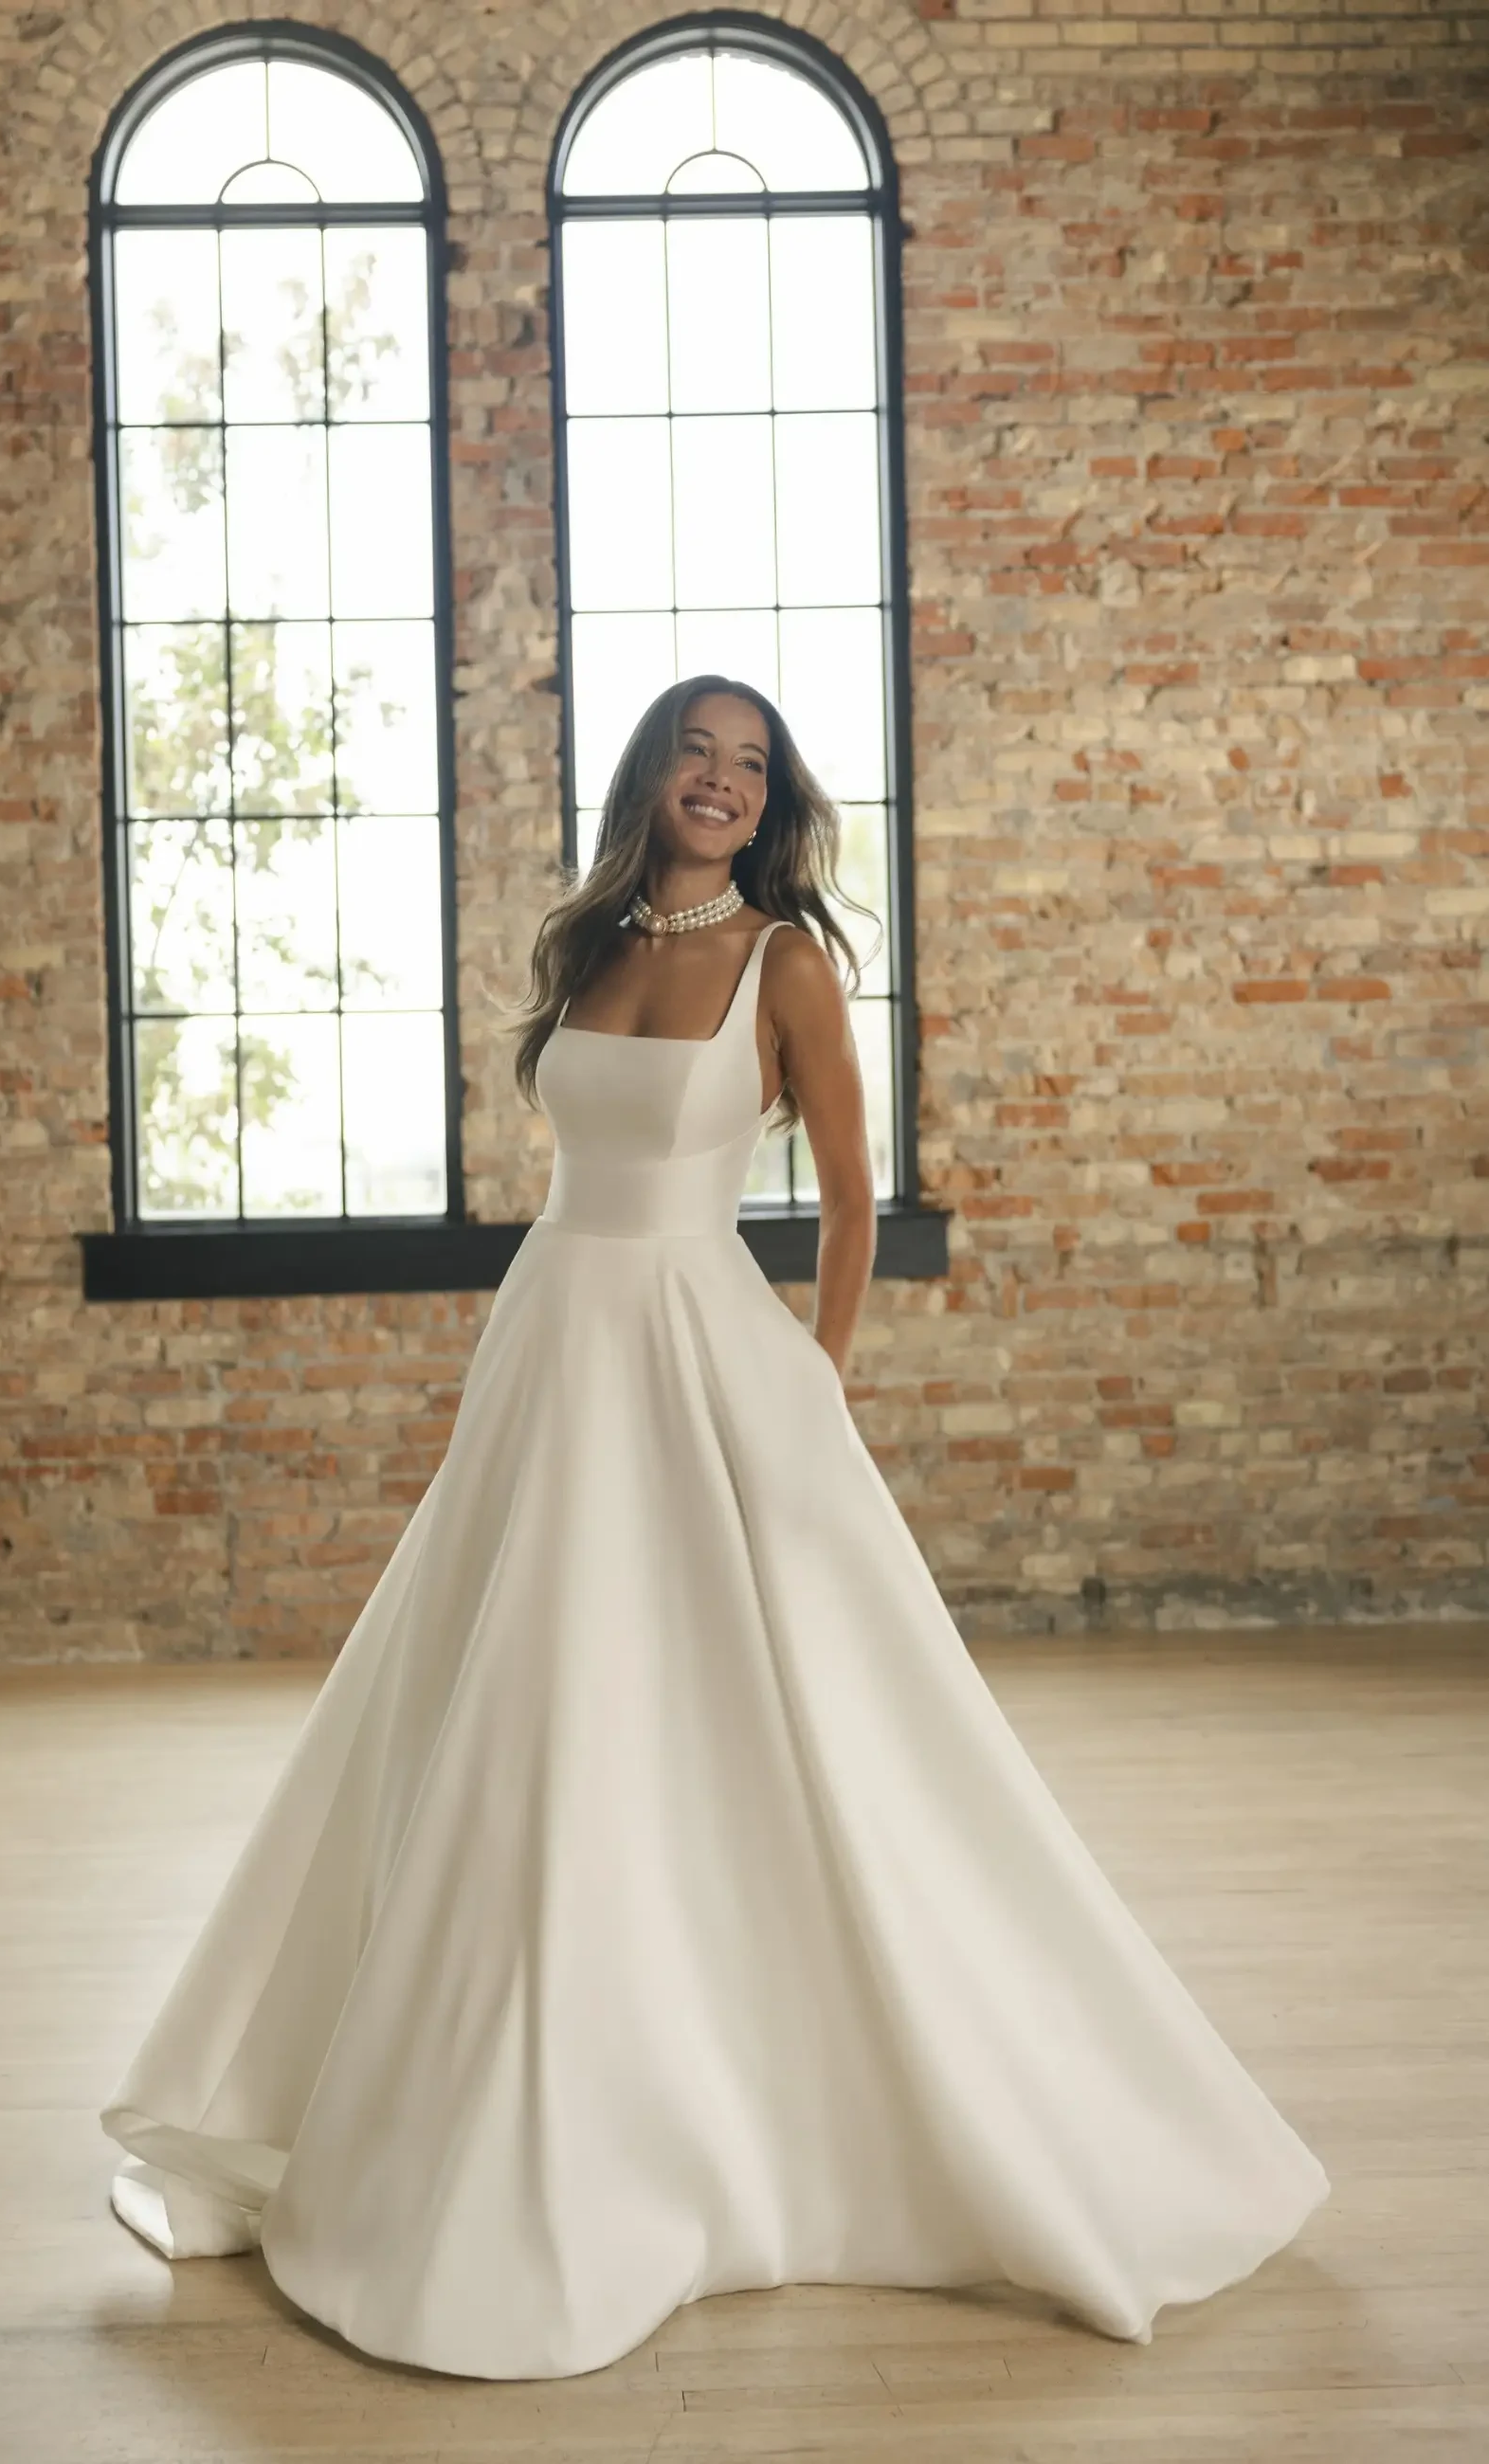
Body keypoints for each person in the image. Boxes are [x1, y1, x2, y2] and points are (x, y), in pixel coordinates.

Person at [101, 674, 1329, 2380]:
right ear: (653, 771)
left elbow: (847, 1195)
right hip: (552, 1336)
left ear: (774, 800)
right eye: (702, 752)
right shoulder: (588, 946)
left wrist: (814, 1383)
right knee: (511, 1705)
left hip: (697, 1352)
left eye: (754, 768)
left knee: (734, 1714)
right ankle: (454, 2094)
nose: (726, 785)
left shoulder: (790, 964)